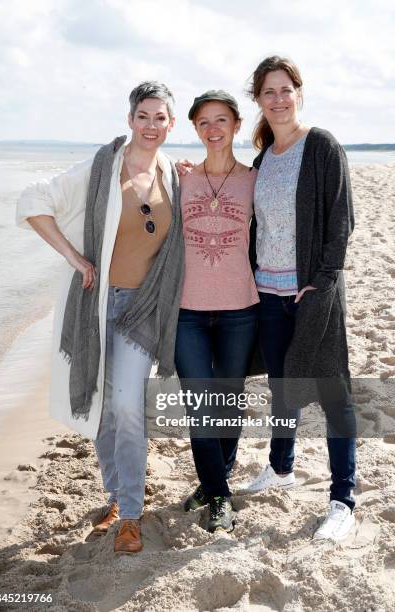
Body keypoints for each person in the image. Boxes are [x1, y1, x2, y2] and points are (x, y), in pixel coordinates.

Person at [16, 81, 184, 554]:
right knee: (104, 406)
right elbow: (34, 200)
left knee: (129, 407)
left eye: (160, 118)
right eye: (143, 116)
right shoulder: (101, 167)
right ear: (130, 119)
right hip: (96, 303)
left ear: (171, 125)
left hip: (142, 309)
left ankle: (130, 515)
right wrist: (74, 257)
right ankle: (116, 497)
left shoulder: (173, 175)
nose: (151, 126)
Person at [239, 56, 357, 542]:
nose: (279, 99)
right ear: (258, 100)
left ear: (299, 93)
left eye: (286, 89)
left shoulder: (322, 146)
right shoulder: (263, 159)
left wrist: (322, 283)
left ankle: (343, 501)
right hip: (268, 291)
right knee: (283, 388)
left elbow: (341, 221)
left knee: (333, 394)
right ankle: (282, 468)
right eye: (269, 91)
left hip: (313, 292)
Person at [174, 91, 259, 533]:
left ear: (236, 125)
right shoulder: (180, 179)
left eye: (221, 120)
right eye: (204, 122)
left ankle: (211, 483)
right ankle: (220, 495)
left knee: (230, 402)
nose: (213, 129)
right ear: (195, 128)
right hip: (187, 311)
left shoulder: (254, 178)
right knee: (200, 406)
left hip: (240, 309)